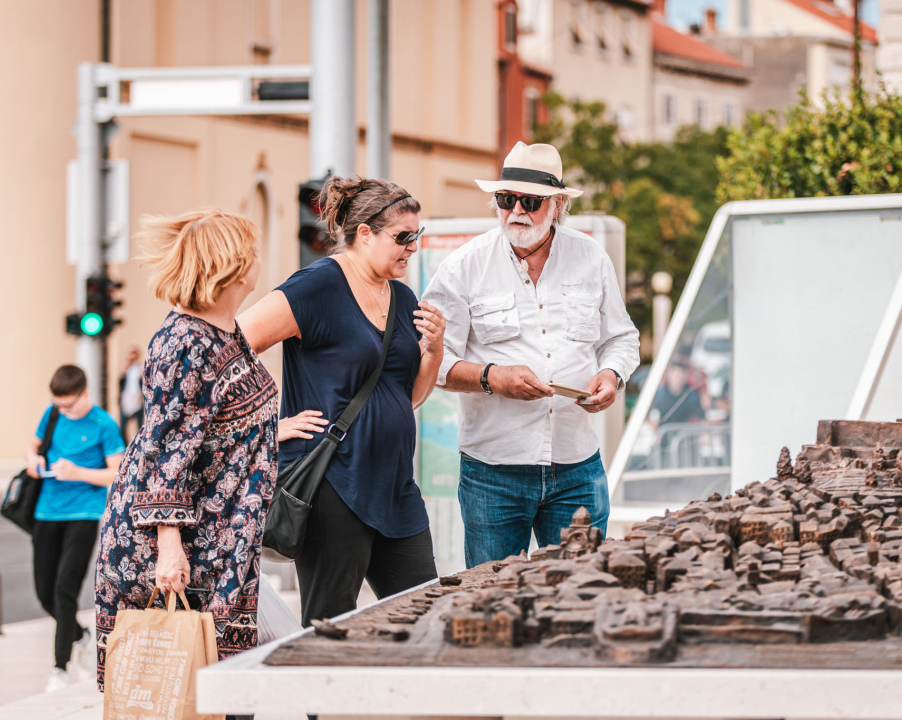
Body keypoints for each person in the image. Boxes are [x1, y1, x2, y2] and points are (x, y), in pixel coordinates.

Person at [421, 142, 640, 568]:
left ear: (557, 205)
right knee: (491, 602)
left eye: (531, 201)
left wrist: (611, 375)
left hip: (578, 466)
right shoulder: (463, 266)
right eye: (506, 199)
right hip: (493, 472)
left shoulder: (591, 256)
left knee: (583, 593)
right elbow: (432, 362)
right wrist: (491, 377)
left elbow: (622, 337)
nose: (516, 210)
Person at [239, 176, 445, 625]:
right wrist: (265, 427)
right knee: (328, 625)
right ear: (365, 234)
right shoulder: (317, 286)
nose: (412, 247)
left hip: (395, 488)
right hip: (334, 485)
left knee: (427, 616)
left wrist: (433, 351)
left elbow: (408, 397)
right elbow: (227, 349)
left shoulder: (403, 296)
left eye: (417, 236)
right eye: (403, 237)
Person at [94, 209, 278, 692]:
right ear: (233, 267)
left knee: (219, 687)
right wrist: (169, 549)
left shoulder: (227, 332)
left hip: (222, 542)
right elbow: (164, 450)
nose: (260, 258)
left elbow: (220, 422)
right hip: (179, 549)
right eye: (252, 250)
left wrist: (275, 427)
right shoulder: (184, 343)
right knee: (180, 688)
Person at [24, 364, 124, 692]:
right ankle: (79, 635)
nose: (63, 411)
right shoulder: (52, 414)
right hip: (45, 512)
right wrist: (33, 461)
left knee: (64, 590)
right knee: (43, 594)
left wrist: (78, 472)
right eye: (58, 405)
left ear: (85, 394)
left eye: (68, 405)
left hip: (83, 514)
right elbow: (33, 446)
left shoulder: (103, 424)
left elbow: (117, 473)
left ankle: (59, 668)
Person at [117, 347, 144, 443]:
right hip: (126, 398)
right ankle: (125, 445)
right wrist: (124, 370)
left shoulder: (140, 367)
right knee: (123, 425)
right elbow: (120, 383)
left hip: (137, 398)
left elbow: (143, 382)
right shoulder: (126, 368)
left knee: (139, 425)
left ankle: (140, 443)